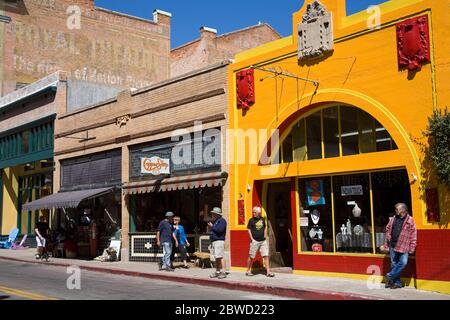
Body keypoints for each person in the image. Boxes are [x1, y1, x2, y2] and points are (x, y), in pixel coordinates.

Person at [384, 203, 417, 289]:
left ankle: (390, 276)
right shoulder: (393, 218)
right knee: (394, 264)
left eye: (397, 209)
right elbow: (387, 228)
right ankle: (397, 283)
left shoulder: (410, 220)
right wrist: (388, 237)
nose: (395, 211)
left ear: (403, 210)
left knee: (403, 262)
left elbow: (413, 234)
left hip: (404, 245)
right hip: (393, 245)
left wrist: (412, 247)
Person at [246, 206, 274, 277]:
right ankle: (248, 270)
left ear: (259, 213)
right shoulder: (251, 220)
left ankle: (268, 271)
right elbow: (248, 229)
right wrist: (252, 238)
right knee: (251, 256)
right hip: (255, 241)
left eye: (255, 212)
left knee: (266, 255)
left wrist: (265, 235)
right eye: (253, 212)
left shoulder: (262, 219)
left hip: (263, 241)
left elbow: (265, 227)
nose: (253, 213)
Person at [208, 207, 227, 279]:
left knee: (221, 256)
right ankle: (218, 271)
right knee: (217, 257)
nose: (212, 215)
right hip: (215, 241)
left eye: (213, 213)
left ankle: (224, 272)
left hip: (219, 241)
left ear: (217, 214)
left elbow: (220, 230)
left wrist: (212, 226)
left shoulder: (222, 221)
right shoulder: (217, 221)